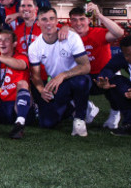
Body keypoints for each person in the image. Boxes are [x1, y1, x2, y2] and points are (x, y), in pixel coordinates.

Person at [28, 7, 91, 136]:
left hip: (73, 78)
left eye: (52, 19)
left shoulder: (72, 37)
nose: (48, 23)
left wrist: (63, 75)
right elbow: (35, 76)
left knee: (81, 81)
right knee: (46, 123)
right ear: (38, 22)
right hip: (57, 85)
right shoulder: (34, 46)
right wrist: (42, 91)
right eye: (44, 19)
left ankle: (79, 118)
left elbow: (85, 66)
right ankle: (72, 106)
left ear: (57, 21)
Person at [66, 3, 125, 128]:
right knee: (66, 84)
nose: (78, 23)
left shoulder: (98, 33)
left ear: (88, 20)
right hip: (85, 74)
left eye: (82, 19)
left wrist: (99, 15)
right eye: (74, 20)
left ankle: (115, 113)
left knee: (115, 85)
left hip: (105, 73)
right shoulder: (70, 37)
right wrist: (63, 28)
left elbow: (119, 33)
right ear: (70, 21)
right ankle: (88, 108)